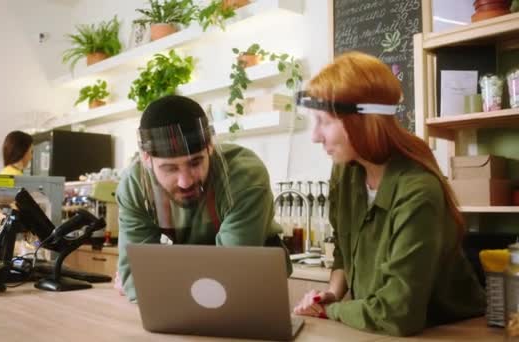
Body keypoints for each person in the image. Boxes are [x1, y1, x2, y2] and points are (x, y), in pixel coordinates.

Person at [292, 52, 485, 336]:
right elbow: (344, 251)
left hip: (451, 332)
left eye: (325, 121)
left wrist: (331, 311)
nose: (315, 136)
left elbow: (398, 313)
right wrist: (332, 294)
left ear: (363, 120)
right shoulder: (345, 172)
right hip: (378, 328)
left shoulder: (418, 191)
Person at [115, 95, 289, 302]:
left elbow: (230, 272)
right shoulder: (134, 186)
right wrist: (140, 282)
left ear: (210, 147)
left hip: (254, 287)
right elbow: (134, 277)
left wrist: (155, 280)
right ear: (146, 158)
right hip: (192, 284)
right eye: (170, 168)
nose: (185, 181)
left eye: (195, 163)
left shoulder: (245, 177)